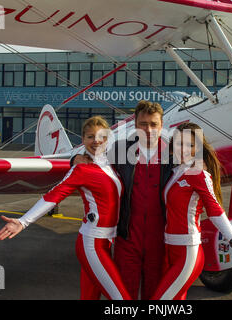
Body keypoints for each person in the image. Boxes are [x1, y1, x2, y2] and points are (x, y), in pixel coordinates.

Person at [0, 116, 131, 300]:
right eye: (90, 137)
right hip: (92, 243)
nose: (96, 141)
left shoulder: (111, 165)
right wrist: (22, 222)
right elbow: (54, 195)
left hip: (107, 241)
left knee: (89, 297)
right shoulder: (81, 169)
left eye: (101, 136)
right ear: (83, 140)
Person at [73, 100, 173, 300]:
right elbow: (93, 157)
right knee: (124, 292)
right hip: (127, 237)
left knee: (154, 294)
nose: (148, 129)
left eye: (153, 124)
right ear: (135, 125)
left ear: (162, 125)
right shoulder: (119, 150)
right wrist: (74, 159)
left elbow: (201, 166)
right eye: (143, 124)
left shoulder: (174, 153)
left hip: (159, 239)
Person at [151, 122, 232, 300]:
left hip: (188, 250)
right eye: (180, 143)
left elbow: (214, 208)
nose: (184, 149)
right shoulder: (175, 172)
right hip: (170, 247)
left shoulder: (198, 173)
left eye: (190, 145)